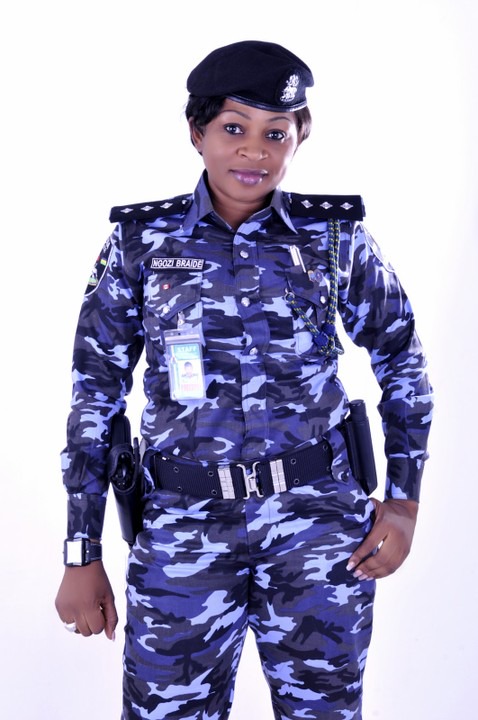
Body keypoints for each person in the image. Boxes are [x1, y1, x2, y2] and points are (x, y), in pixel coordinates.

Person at [55, 40, 433, 720]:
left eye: (275, 133)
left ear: (299, 139)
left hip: (317, 528)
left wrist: (404, 502)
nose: (254, 151)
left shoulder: (334, 239)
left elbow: (401, 355)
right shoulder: (141, 244)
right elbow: (95, 392)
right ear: (197, 133)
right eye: (234, 128)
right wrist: (82, 551)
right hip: (182, 530)